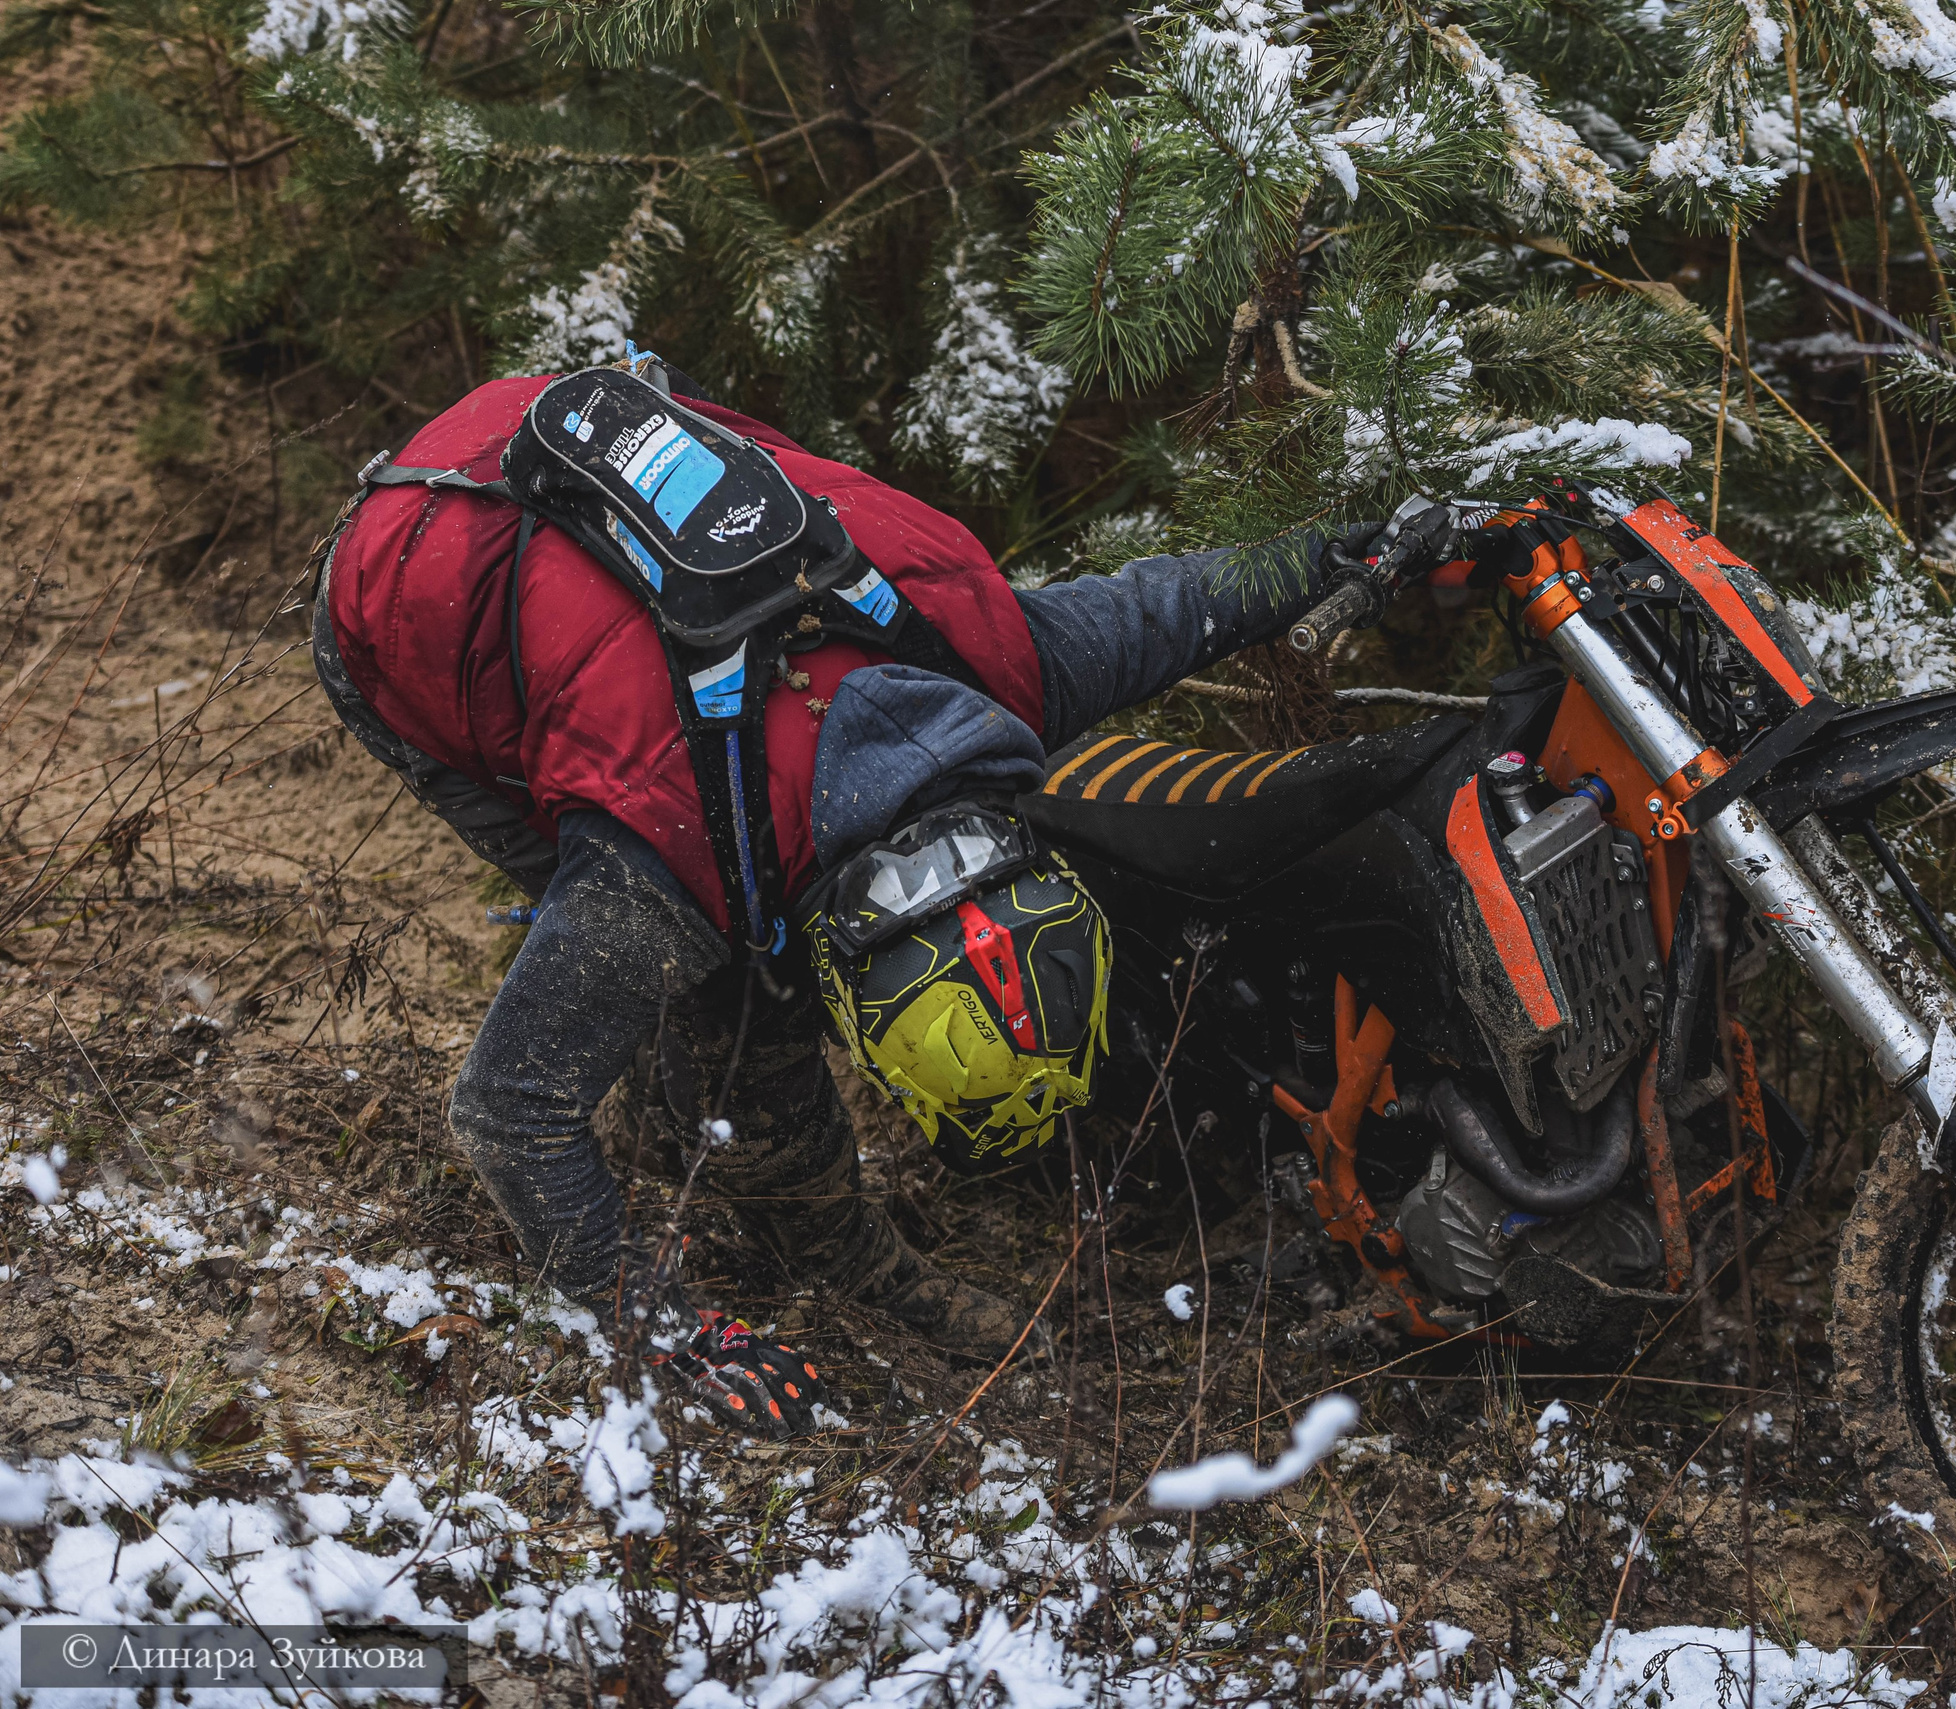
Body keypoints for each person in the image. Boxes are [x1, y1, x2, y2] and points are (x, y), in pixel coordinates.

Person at [313, 358, 1378, 1431]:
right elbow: (507, 1112)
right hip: (406, 578)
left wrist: (1362, 548)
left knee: (706, 939)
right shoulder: (664, 859)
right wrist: (666, 1334)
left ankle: (685, 1120)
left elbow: (1183, 603)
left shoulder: (997, 656)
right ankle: (792, 1212)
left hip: (572, 443)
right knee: (730, 990)